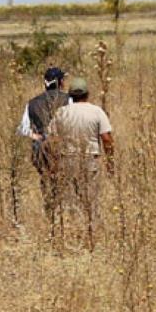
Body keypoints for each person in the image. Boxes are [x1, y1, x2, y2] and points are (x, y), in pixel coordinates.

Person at [47, 77, 114, 247]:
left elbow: (52, 140)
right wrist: (110, 163)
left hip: (67, 160)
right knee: (91, 199)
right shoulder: (97, 112)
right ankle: (91, 237)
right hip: (90, 159)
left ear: (70, 95)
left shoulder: (61, 112)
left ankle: (73, 235)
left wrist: (54, 163)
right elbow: (106, 138)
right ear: (87, 94)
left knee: (70, 200)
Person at [17, 67, 71, 223]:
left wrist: (39, 137)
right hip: (64, 147)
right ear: (61, 82)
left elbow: (23, 129)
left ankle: (50, 213)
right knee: (65, 181)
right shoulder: (69, 100)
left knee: (46, 179)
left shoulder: (32, 103)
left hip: (40, 149)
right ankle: (62, 215)